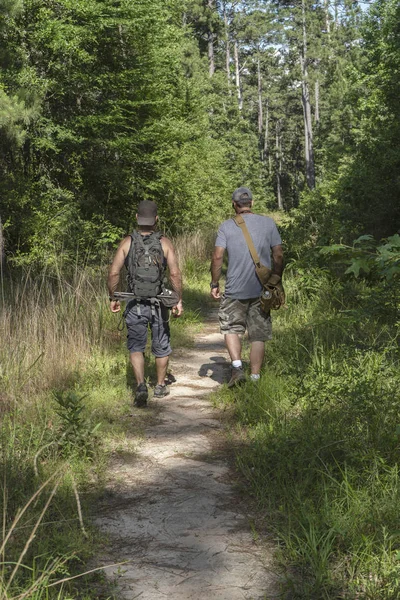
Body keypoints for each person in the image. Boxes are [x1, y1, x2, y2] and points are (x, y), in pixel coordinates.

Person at [108, 200, 183, 406]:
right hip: (159, 303)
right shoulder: (165, 243)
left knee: (136, 346)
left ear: (137, 219)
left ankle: (141, 385)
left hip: (135, 303)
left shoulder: (127, 242)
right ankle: (159, 386)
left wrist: (114, 296)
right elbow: (175, 274)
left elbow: (114, 272)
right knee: (161, 344)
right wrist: (177, 299)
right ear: (156, 220)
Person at [210, 187, 284, 387]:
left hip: (235, 289)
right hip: (262, 290)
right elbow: (278, 254)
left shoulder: (226, 226)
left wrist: (215, 283)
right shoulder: (268, 223)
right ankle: (255, 378)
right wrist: (276, 279)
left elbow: (217, 257)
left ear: (234, 204)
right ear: (251, 203)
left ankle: (236, 368)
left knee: (232, 329)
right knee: (258, 335)